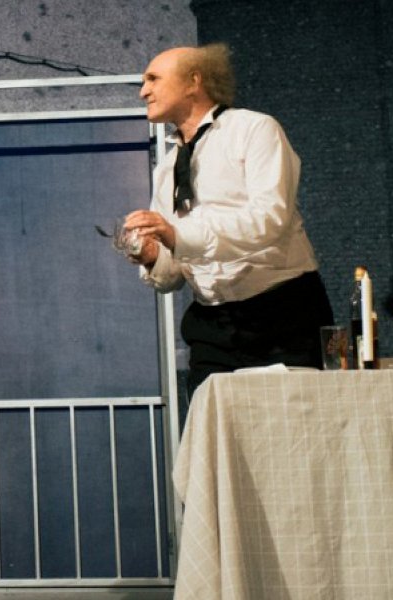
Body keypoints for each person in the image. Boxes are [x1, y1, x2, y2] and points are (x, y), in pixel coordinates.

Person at [123, 43, 333, 399]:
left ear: (193, 81)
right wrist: (153, 256)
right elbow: (174, 272)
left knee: (293, 424)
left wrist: (178, 235)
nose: (143, 91)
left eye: (153, 79)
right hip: (213, 326)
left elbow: (270, 219)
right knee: (214, 427)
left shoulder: (254, 129)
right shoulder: (166, 170)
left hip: (281, 315)